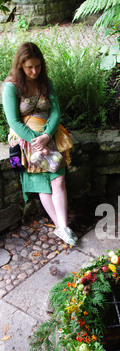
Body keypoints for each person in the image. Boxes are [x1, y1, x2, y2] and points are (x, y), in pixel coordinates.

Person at [2, 41, 77, 246]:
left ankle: (64, 227)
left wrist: (46, 136)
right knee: (43, 185)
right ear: (20, 66)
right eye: (29, 67)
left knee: (58, 180)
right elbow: (14, 121)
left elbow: (55, 112)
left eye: (38, 66)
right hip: (27, 141)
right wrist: (36, 142)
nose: (34, 71)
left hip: (49, 137)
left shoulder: (46, 82)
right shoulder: (10, 87)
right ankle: (61, 227)